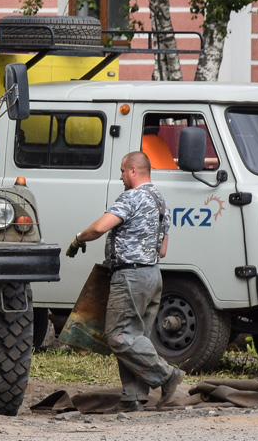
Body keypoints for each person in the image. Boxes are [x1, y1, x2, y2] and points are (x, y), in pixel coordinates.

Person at [66, 151, 183, 411]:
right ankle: (133, 398)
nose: (120, 177)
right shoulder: (162, 202)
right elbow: (162, 250)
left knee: (118, 336)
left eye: (122, 171)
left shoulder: (132, 197)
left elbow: (99, 228)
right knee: (136, 337)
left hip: (131, 276)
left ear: (133, 170)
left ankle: (167, 375)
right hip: (153, 275)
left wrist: (78, 238)